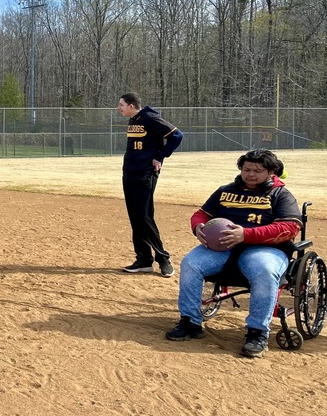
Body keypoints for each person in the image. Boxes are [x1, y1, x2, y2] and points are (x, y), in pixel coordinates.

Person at [166, 149, 301, 359]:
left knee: (264, 271)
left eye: (258, 170)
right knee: (191, 263)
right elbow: (201, 213)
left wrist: (246, 234)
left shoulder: (280, 194)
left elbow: (290, 227)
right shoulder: (225, 191)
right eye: (247, 169)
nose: (251, 174)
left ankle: (257, 332)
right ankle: (190, 322)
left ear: (272, 172)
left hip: (265, 249)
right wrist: (198, 226)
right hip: (223, 248)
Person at [118, 92, 183, 277]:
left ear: (131, 105)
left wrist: (159, 156)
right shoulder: (134, 119)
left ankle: (163, 258)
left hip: (144, 173)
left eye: (121, 104)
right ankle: (144, 259)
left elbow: (177, 136)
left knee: (144, 216)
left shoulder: (149, 118)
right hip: (130, 172)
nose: (119, 108)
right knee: (135, 217)